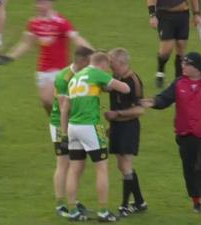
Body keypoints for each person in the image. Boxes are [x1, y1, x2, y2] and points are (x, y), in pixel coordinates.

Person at [140, 52, 201, 217]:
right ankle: (196, 200)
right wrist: (153, 102)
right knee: (189, 168)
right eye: (183, 63)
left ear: (196, 67)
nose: (182, 66)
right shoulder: (178, 83)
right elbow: (165, 99)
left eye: (186, 64)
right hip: (184, 133)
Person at [0, 0, 93, 116]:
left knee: (48, 100)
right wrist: (10, 57)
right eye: (37, 3)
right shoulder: (34, 22)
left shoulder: (61, 22)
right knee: (46, 103)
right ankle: (60, 122)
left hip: (60, 69)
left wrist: (93, 52)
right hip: (43, 69)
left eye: (42, 3)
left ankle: (65, 123)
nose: (39, 6)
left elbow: (77, 39)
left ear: (51, 3)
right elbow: (26, 43)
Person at [65, 52, 130, 222]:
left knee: (74, 169)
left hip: (73, 126)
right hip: (90, 126)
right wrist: (110, 82)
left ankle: (72, 210)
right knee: (101, 168)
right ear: (102, 64)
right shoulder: (96, 72)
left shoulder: (76, 77)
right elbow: (125, 88)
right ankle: (103, 211)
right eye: (107, 66)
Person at [49, 46, 94, 217]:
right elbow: (63, 108)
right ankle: (60, 204)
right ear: (82, 61)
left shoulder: (85, 75)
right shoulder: (64, 77)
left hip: (77, 123)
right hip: (61, 124)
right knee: (63, 162)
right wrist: (66, 133)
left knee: (78, 164)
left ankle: (72, 200)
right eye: (89, 62)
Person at [105, 48, 147, 217]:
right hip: (117, 126)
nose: (109, 66)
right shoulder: (116, 79)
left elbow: (140, 110)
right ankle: (139, 202)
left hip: (129, 126)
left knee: (126, 165)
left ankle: (124, 206)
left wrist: (118, 114)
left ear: (121, 63)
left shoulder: (133, 81)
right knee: (121, 166)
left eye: (111, 63)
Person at [146, 0, 201, 88]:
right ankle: (160, 72)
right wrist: (152, 15)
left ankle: (178, 80)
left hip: (183, 15)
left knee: (181, 48)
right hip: (165, 15)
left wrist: (196, 13)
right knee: (165, 51)